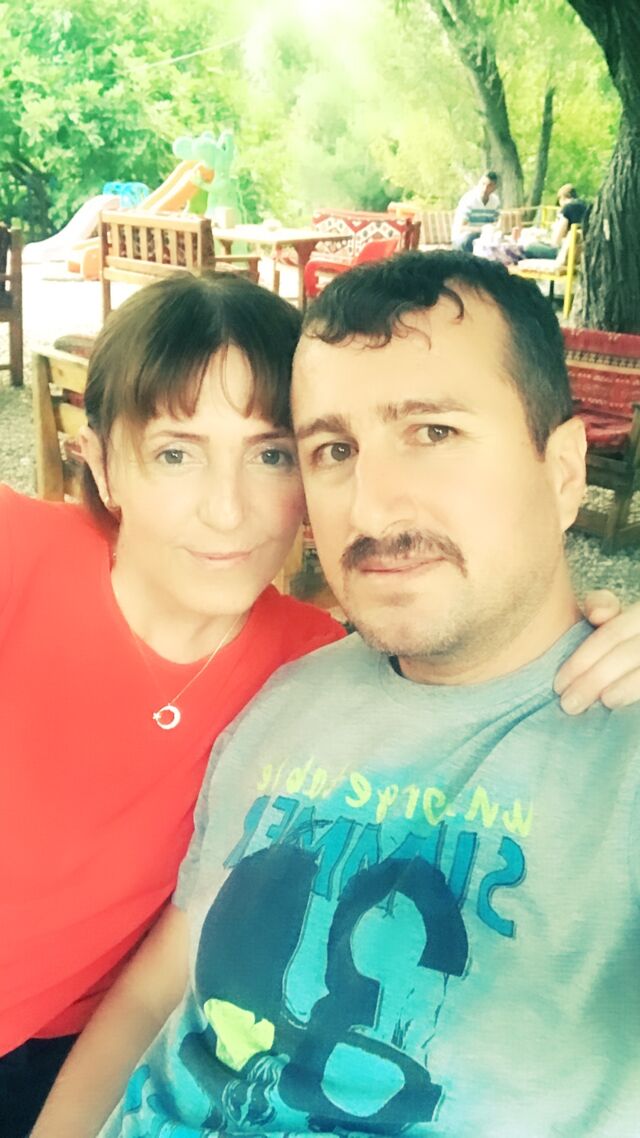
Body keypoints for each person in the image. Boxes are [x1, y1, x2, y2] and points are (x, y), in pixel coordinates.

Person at [32, 253, 640, 1138]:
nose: (371, 506)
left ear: (563, 469)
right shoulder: (287, 697)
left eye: (433, 431)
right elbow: (153, 998)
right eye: (332, 451)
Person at [0, 273, 346, 1137]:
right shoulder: (16, 555)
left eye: (271, 454)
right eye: (176, 453)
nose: (227, 510)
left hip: (69, 1056)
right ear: (102, 462)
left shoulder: (317, 666)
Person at [521, 183, 588, 260]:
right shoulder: (585, 207)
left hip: (561, 253)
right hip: (576, 254)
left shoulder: (567, 209)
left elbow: (555, 242)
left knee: (528, 247)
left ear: (562, 198)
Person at [451, 171, 500, 253]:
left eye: (489, 185)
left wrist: (493, 229)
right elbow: (461, 227)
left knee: (498, 240)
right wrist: (482, 229)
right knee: (472, 240)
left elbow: (495, 223)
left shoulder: (495, 201)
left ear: (494, 187)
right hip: (463, 238)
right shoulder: (469, 199)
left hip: (484, 238)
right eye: (483, 184)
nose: (485, 188)